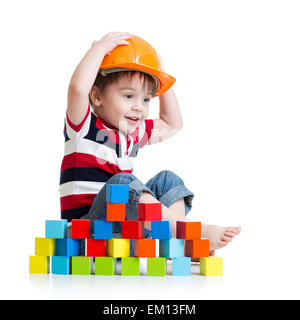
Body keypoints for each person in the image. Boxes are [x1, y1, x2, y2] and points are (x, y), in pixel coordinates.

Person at [59, 31, 241, 257]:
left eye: (146, 99)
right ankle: (189, 232)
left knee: (168, 179)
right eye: (128, 96)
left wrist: (160, 78)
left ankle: (176, 240)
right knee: (123, 183)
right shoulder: (84, 127)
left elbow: (172, 123)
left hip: (124, 234)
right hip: (86, 234)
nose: (139, 107)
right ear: (96, 96)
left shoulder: (133, 133)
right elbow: (77, 89)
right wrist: (97, 50)